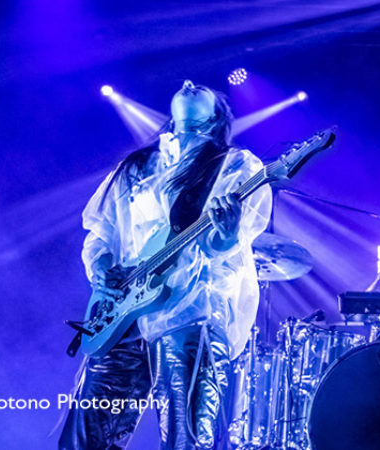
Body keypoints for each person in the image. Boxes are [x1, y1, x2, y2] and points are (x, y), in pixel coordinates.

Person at [59, 80, 272, 449]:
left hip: (191, 311)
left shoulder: (235, 166)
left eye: (200, 88)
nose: (188, 83)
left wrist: (225, 233)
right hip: (121, 315)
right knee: (83, 440)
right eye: (186, 84)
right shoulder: (138, 165)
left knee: (187, 440)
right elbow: (101, 230)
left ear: (215, 116)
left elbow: (227, 246)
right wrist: (102, 270)